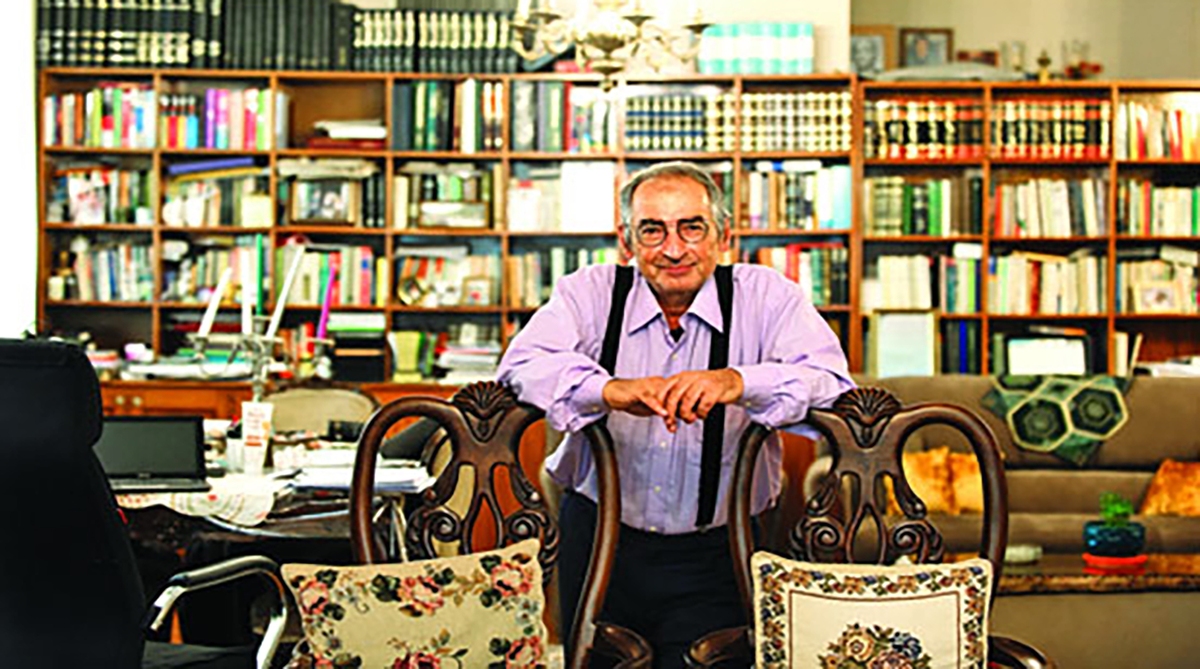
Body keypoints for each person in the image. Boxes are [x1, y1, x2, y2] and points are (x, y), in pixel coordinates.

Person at [497, 161, 853, 668]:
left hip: (723, 550)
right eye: (653, 230)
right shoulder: (589, 292)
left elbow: (831, 382)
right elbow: (520, 366)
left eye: (692, 227)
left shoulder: (768, 297)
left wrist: (739, 382)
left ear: (723, 236)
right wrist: (605, 389)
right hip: (598, 543)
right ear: (627, 241)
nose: (673, 248)